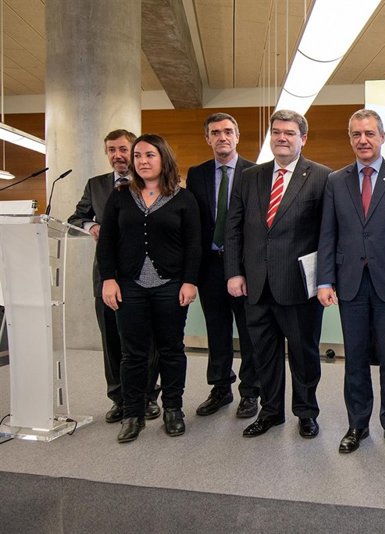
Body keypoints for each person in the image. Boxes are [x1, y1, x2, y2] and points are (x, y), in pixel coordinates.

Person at [317, 109, 385, 455]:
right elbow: (327, 234)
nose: (363, 140)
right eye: (356, 134)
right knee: (355, 360)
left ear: (382, 137)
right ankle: (357, 425)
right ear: (350, 139)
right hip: (350, 284)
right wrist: (324, 280)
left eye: (369, 134)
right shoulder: (335, 181)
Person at [225, 110, 330, 439]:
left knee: (304, 355)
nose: (281, 137)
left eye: (289, 132)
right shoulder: (249, 177)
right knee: (263, 354)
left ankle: (306, 412)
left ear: (303, 139)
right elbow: (233, 229)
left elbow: (328, 235)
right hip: (256, 285)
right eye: (276, 132)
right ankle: (271, 412)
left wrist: (326, 280)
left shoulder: (322, 177)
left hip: (299, 286)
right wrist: (234, 272)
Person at [98, 134, 201, 443]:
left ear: (163, 159)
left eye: (149, 155)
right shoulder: (120, 196)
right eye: (138, 156)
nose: (142, 161)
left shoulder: (184, 199)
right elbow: (106, 242)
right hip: (129, 287)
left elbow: (194, 245)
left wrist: (190, 281)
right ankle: (133, 414)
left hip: (171, 286)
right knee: (132, 354)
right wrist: (108, 279)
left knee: (171, 350)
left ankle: (173, 410)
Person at [68, 129, 161, 424]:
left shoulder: (149, 182)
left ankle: (147, 396)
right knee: (111, 340)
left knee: (146, 340)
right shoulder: (95, 185)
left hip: (144, 275)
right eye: (111, 150)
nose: (117, 155)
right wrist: (91, 225)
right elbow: (76, 217)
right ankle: (119, 398)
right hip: (106, 275)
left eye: (123, 149)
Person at [186, 113, 259, 419]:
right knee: (217, 330)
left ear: (237, 136)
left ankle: (250, 391)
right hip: (210, 266)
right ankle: (220, 387)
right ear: (208, 138)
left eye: (228, 131)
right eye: (215, 132)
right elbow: (193, 224)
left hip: (244, 267)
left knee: (249, 332)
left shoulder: (255, 173)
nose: (222, 137)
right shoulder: (197, 174)